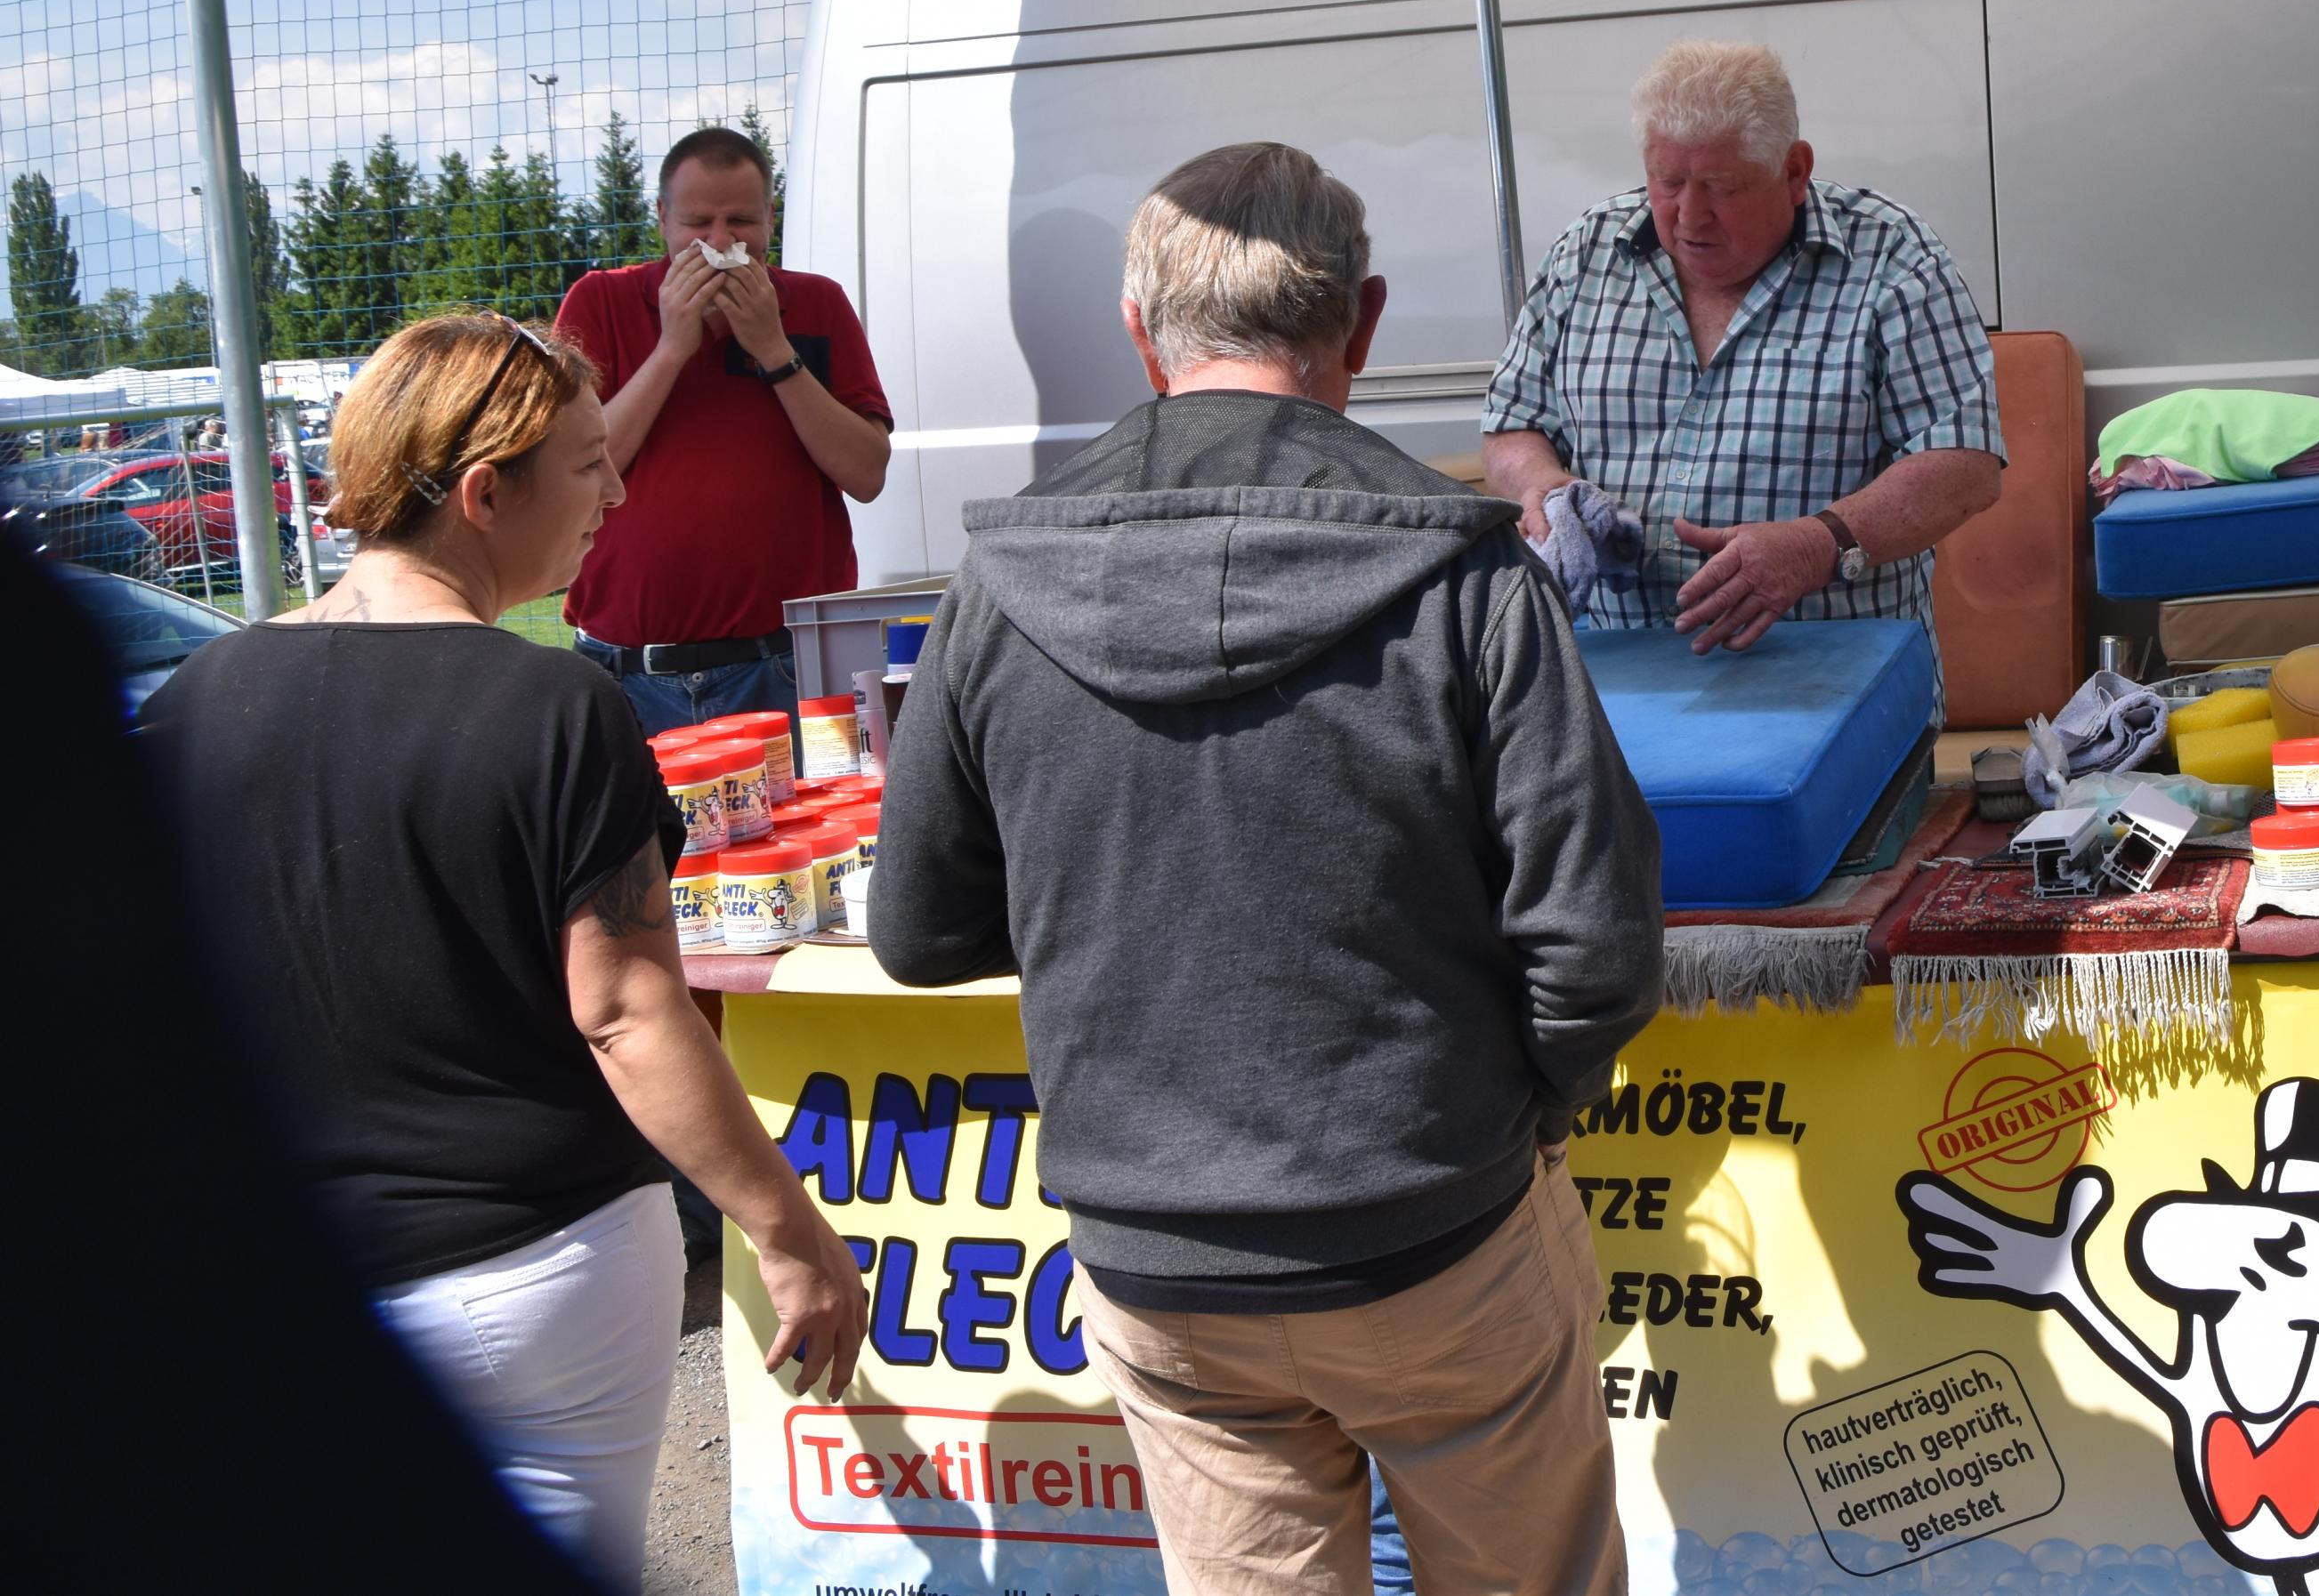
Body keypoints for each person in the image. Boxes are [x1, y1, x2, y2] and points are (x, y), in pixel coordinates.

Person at [874, 142, 1661, 1596]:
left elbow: (920, 928)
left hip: (1165, 1253)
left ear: (1138, 332)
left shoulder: (1000, 581)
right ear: (1361, 322)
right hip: (1437, 1221)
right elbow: (1598, 944)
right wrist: (1527, 1113)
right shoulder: (1466, 572)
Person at [137, 310, 868, 1591]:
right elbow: (626, 1012)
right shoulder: (556, 705)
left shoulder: (197, 695)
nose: (617, 493)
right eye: (589, 465)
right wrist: (786, 1227)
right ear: (484, 493)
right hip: (534, 1263)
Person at [1484, 37, 2005, 651]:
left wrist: (1818, 544)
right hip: (1613, 675)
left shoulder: (1891, 258)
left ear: (1794, 171)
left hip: (1832, 674)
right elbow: (1514, 425)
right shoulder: (1585, 253)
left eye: (1722, 188)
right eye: (1667, 182)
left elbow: (1963, 465)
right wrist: (1543, 488)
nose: (1689, 216)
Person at [555, 124, 890, 731]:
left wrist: (773, 348)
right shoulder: (600, 301)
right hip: (628, 672)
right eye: (697, 223)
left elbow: (867, 475)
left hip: (784, 664)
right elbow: (575, 469)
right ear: (663, 219)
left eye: (740, 221)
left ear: (769, 221)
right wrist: (672, 348)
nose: (719, 242)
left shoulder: (816, 304)